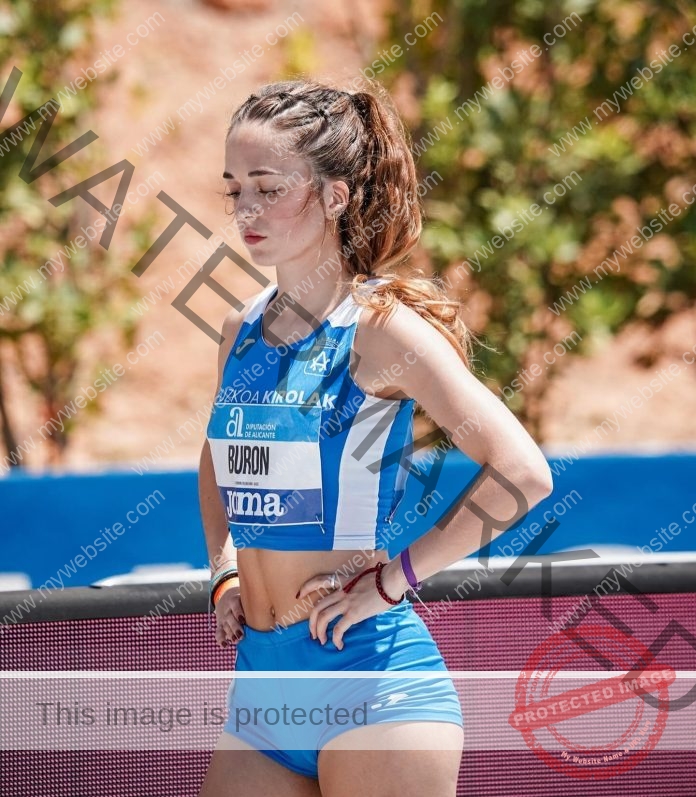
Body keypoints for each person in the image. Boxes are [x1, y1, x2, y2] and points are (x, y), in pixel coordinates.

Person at [197, 79, 553, 797]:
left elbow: (522, 472)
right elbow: (215, 461)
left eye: (268, 187)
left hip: (374, 685)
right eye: (234, 188)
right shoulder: (240, 328)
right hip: (264, 689)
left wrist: (394, 581)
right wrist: (225, 569)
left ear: (334, 196)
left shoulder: (380, 328)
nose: (245, 210)